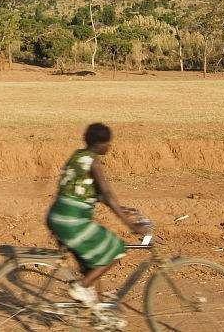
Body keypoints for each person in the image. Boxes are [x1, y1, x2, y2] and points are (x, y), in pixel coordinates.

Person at [48, 122, 151, 315]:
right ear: (100, 144)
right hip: (72, 221)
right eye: (108, 143)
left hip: (58, 216)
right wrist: (131, 225)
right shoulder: (93, 161)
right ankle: (80, 287)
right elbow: (107, 193)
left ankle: (94, 311)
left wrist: (122, 209)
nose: (109, 147)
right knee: (114, 250)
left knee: (92, 264)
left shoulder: (78, 156)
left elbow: (96, 194)